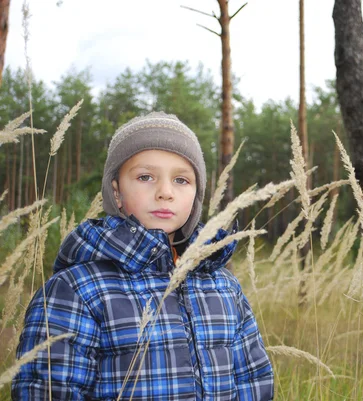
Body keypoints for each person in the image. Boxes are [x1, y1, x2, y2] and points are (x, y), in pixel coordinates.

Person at [12, 112, 274, 400]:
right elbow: (48, 390)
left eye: (181, 180)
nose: (165, 192)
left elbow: (254, 380)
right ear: (117, 192)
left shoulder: (223, 285)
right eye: (145, 177)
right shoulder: (78, 289)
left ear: (197, 195)